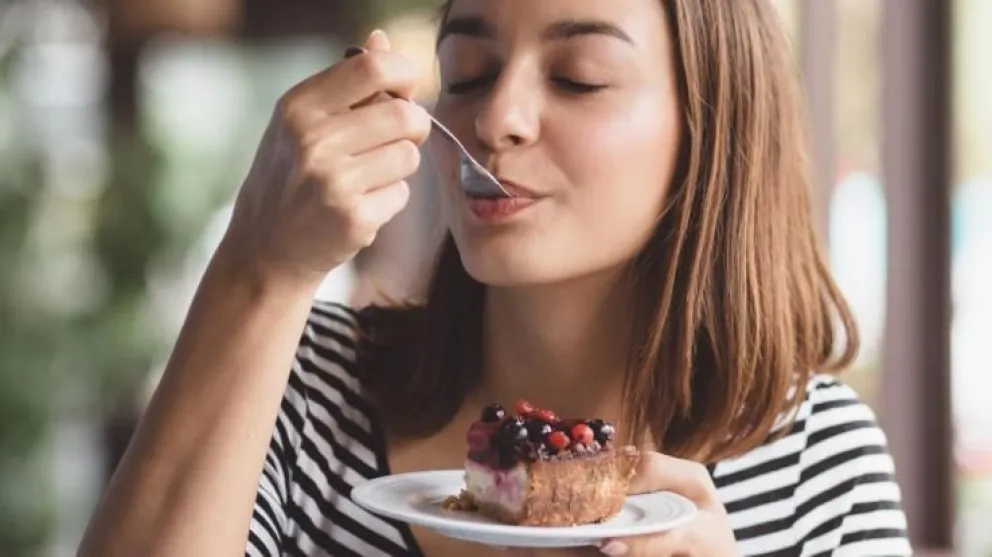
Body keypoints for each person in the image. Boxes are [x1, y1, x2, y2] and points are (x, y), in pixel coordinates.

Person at [78, 1, 914, 556]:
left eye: (578, 77)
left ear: (711, 124)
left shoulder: (818, 462)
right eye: (469, 70)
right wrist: (258, 267)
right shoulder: (306, 384)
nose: (495, 118)